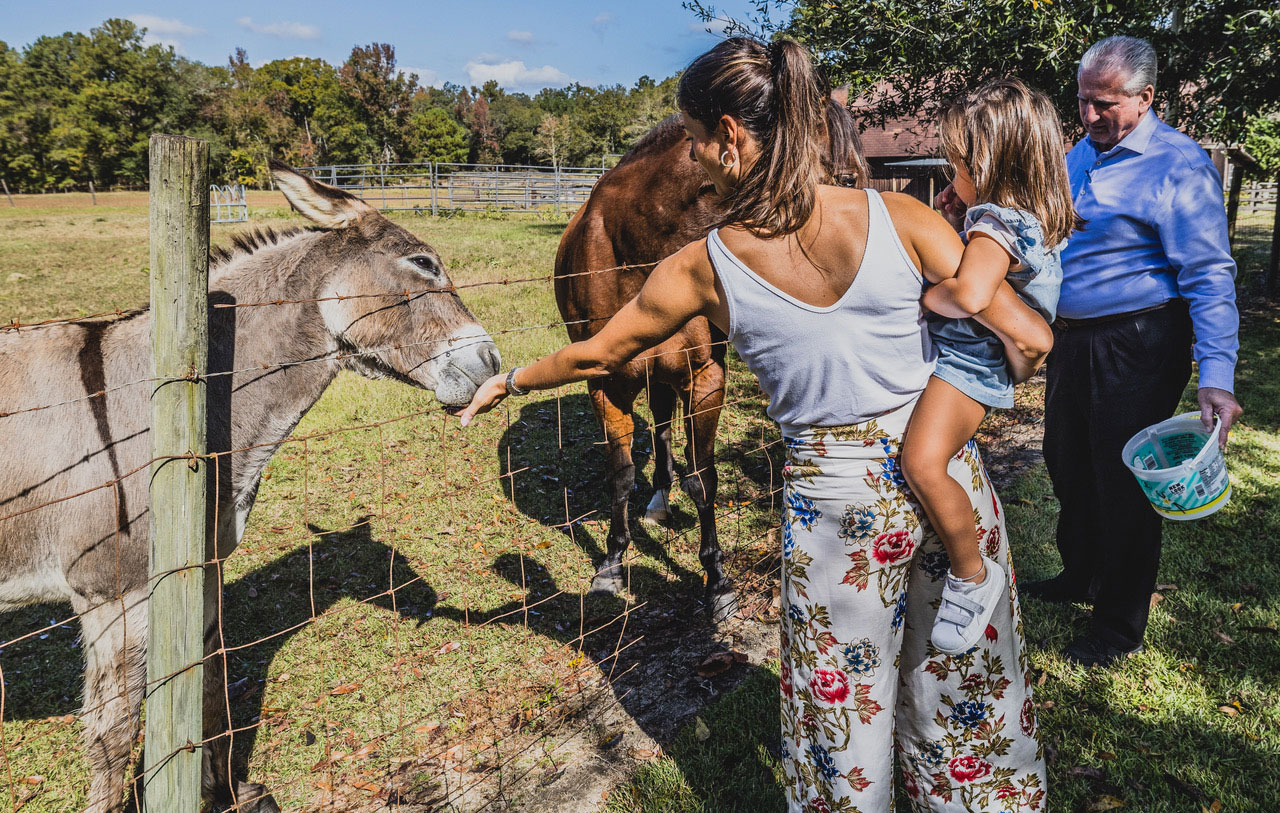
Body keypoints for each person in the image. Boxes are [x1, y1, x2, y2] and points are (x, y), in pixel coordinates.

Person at [459, 37, 1046, 811]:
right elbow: (1028, 335)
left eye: (697, 138)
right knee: (963, 691)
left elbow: (601, 351)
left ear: (732, 136)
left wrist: (511, 379)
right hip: (945, 475)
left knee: (843, 719)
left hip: (838, 508)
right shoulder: (903, 217)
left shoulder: (704, 266)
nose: (695, 156)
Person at [1023, 36, 1243, 667]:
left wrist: (1216, 378)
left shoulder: (1179, 165)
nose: (1090, 116)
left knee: (1121, 478)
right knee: (1066, 461)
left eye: (1105, 104)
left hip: (1140, 338)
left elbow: (1208, 274)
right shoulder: (1079, 154)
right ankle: (1082, 576)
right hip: (1074, 339)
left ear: (1145, 99)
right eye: (1083, 102)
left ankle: (1117, 624)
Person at [901, 79, 1075, 656]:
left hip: (966, 365)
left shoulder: (996, 222)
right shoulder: (1028, 218)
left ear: (988, 161)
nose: (951, 178)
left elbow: (973, 295)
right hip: (980, 363)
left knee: (923, 463)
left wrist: (928, 295)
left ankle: (972, 575)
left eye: (956, 165)